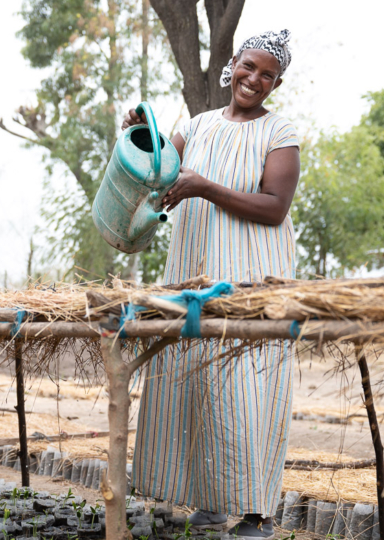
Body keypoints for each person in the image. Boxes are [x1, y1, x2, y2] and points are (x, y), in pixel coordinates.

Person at [122, 29, 300, 540]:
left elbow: (274, 208)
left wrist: (204, 187)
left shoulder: (279, 132)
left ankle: (257, 513)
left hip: (249, 279)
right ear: (233, 65)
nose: (254, 79)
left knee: (247, 386)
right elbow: (157, 168)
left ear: (276, 83)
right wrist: (138, 134)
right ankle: (213, 502)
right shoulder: (197, 126)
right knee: (200, 383)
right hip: (195, 275)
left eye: (267, 74)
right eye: (249, 66)